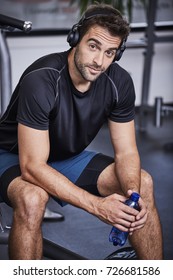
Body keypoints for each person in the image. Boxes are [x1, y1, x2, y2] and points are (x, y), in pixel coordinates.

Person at [0, 3, 163, 260]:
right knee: (32, 197)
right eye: (93, 46)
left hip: (64, 157)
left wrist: (132, 195)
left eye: (110, 52)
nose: (99, 62)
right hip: (11, 156)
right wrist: (97, 206)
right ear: (75, 39)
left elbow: (127, 151)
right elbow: (32, 166)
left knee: (143, 184)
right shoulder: (42, 79)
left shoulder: (118, 83)